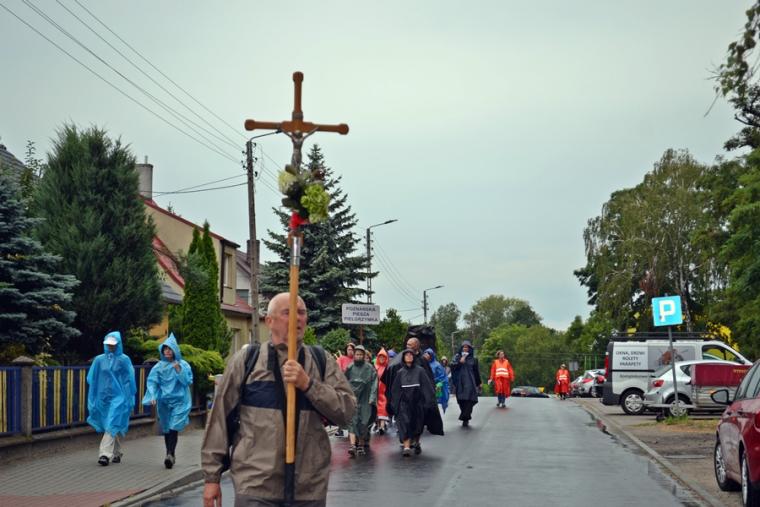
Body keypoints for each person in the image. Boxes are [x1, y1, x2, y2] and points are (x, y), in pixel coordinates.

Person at [201, 293, 356, 507]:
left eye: (301, 313)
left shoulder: (321, 362)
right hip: (256, 486)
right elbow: (219, 419)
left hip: (308, 489)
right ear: (269, 321)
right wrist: (212, 478)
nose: (297, 318)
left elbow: (347, 412)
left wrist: (309, 385)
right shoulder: (247, 361)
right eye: (288, 313)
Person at [142, 332, 193, 469]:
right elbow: (152, 382)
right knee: (166, 428)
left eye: (170, 349)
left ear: (175, 350)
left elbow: (187, 381)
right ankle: (170, 454)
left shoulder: (183, 365)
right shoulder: (159, 367)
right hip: (164, 402)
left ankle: (169, 454)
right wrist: (152, 396)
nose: (168, 351)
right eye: (165, 349)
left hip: (180, 401)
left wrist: (179, 370)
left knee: (173, 427)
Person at [86, 331, 136, 466]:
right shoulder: (99, 360)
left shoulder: (124, 360)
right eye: (108, 344)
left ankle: (104, 454)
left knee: (112, 422)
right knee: (110, 424)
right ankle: (117, 452)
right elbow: (92, 379)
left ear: (118, 344)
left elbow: (130, 379)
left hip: (119, 397)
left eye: (113, 344)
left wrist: (130, 398)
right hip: (103, 397)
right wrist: (93, 398)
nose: (110, 346)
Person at [381, 337, 444, 443]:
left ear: (417, 346)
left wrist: (429, 395)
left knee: (418, 421)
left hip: (418, 398)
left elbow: (428, 378)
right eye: (407, 344)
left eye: (410, 344)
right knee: (404, 420)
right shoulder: (400, 359)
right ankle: (406, 442)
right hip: (404, 398)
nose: (407, 346)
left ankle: (416, 441)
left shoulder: (423, 360)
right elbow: (392, 374)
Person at [389, 349, 436, 457]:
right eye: (407, 355)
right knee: (405, 423)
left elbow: (426, 387)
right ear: (403, 358)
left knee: (417, 425)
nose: (409, 356)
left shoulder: (420, 371)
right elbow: (395, 390)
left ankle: (416, 442)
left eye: (411, 355)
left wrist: (428, 401)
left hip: (418, 402)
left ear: (414, 357)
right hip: (404, 403)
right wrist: (395, 404)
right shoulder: (400, 373)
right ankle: (406, 447)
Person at [344, 345, 377, 457]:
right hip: (353, 398)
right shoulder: (350, 367)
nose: (358, 356)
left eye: (361, 354)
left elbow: (374, 384)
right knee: (352, 422)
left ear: (364, 355)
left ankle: (361, 444)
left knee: (363, 422)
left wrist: (372, 398)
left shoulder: (370, 368)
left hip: (365, 398)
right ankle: (353, 445)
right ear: (354, 355)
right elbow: (344, 381)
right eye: (357, 354)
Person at [451, 340, 482, 427]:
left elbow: (476, 372)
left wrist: (479, 383)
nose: (465, 348)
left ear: (469, 349)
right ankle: (464, 415)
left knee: (470, 400)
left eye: (467, 347)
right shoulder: (457, 357)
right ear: (461, 348)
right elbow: (452, 367)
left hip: (470, 382)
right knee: (461, 400)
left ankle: (465, 417)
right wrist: (459, 363)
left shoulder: (474, 359)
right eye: (464, 347)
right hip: (460, 382)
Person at [423, 348, 449, 413]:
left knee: (436, 402)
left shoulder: (437, 365)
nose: (426, 356)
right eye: (425, 354)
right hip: (426, 387)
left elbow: (442, 376)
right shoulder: (423, 364)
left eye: (428, 354)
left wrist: (434, 382)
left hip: (436, 386)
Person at [374, 348, 390, 434]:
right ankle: (378, 424)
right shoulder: (374, 367)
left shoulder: (388, 368)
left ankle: (382, 426)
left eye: (383, 357)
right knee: (376, 408)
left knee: (383, 408)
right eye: (380, 357)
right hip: (375, 391)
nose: (382, 359)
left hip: (384, 391)